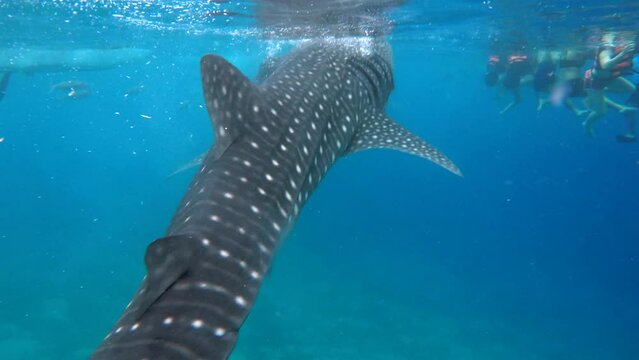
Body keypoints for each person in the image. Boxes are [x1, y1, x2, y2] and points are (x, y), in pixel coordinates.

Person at [582, 32, 636, 137]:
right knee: (601, 112)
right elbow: (605, 65)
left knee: (631, 88)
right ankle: (586, 124)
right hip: (594, 80)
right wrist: (623, 54)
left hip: (608, 79)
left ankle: (593, 94)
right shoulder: (606, 48)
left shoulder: (619, 46)